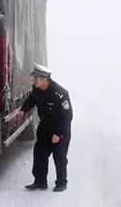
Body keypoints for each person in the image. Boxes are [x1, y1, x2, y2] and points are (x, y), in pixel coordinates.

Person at [17, 63, 73, 192]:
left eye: (36, 78)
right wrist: (23, 110)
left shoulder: (60, 94)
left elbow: (67, 116)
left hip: (60, 129)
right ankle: (40, 181)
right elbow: (31, 99)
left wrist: (58, 134)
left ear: (44, 79)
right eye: (34, 78)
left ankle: (61, 183)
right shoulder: (37, 89)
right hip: (45, 127)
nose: (34, 80)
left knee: (59, 157)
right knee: (39, 154)